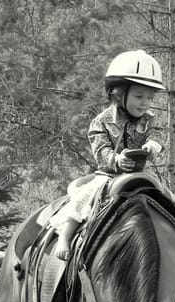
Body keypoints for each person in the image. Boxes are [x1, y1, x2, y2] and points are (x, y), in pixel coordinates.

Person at [53, 49, 165, 260]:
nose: (145, 103)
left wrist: (154, 146)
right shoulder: (101, 122)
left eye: (150, 98)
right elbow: (101, 150)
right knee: (85, 197)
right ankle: (65, 235)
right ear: (118, 94)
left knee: (168, 197)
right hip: (109, 175)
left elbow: (159, 137)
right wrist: (117, 159)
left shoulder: (150, 119)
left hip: (142, 174)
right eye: (139, 96)